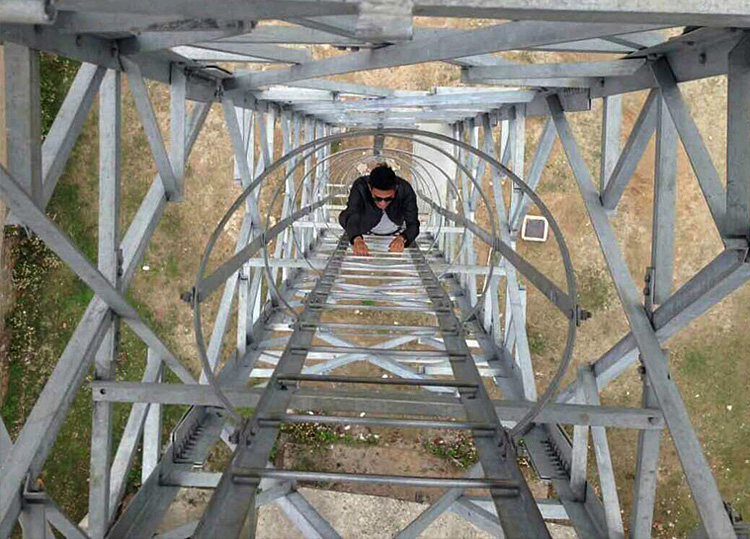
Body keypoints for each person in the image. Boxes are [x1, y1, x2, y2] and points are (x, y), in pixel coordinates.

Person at [338, 164, 420, 256]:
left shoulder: (405, 189)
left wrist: (402, 237)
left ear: (396, 188)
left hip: (396, 228)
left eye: (388, 199)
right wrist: (357, 238)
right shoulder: (360, 186)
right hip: (365, 227)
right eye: (377, 198)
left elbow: (413, 223)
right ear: (369, 188)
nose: (382, 204)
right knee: (345, 216)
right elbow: (353, 213)